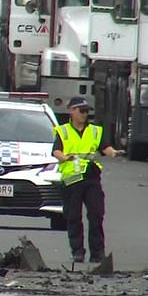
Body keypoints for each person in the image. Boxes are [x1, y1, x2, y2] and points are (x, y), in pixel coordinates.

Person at [52, 97, 123, 263]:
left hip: (91, 177)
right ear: (71, 111)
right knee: (73, 217)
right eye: (81, 110)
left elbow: (104, 147)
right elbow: (56, 151)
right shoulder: (63, 131)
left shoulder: (95, 131)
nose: (84, 114)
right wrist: (64, 157)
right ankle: (78, 251)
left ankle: (97, 252)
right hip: (72, 180)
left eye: (86, 111)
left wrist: (113, 152)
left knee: (97, 214)